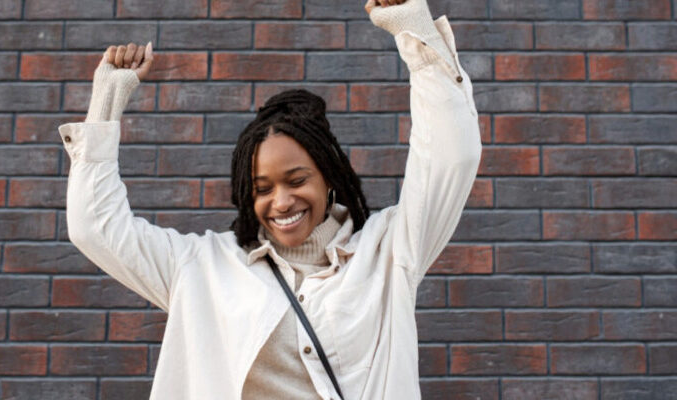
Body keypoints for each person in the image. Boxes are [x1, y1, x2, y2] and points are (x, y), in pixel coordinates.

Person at [59, 0, 481, 398]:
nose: (280, 202)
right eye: (262, 189)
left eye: (296, 181)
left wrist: (413, 31)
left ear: (328, 179)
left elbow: (450, 158)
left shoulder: (389, 252)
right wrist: (108, 100)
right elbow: (96, 228)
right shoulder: (201, 268)